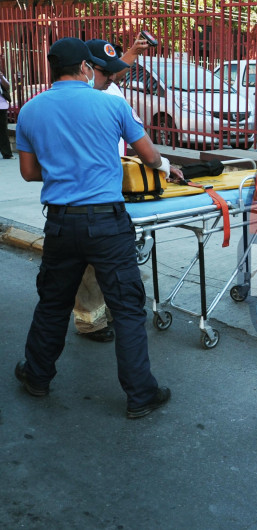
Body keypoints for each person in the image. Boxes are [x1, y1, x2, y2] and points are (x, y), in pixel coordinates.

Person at [14, 37, 172, 419]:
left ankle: (37, 376)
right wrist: (166, 167)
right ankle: (140, 395)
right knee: (128, 308)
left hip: (61, 222)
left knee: (53, 302)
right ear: (86, 68)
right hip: (106, 222)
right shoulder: (112, 103)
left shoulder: (30, 110)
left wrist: (65, 172)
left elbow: (29, 172)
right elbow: (149, 156)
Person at [71, 38, 153, 344]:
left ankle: (115, 310)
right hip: (87, 195)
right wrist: (160, 163)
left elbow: (137, 137)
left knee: (113, 259)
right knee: (90, 264)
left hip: (112, 187)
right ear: (87, 68)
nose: (113, 77)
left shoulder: (111, 92)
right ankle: (90, 321)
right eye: (106, 72)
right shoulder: (75, 101)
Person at [0, 52, 13, 160]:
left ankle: (7, 154)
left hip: (2, 106)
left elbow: (7, 86)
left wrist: (1, 77)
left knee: (3, 131)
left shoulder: (0, 75)